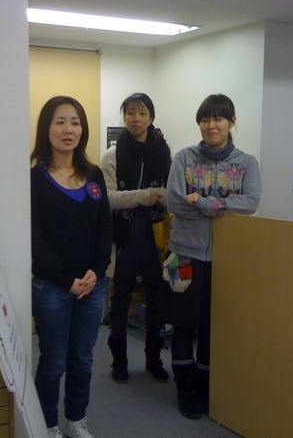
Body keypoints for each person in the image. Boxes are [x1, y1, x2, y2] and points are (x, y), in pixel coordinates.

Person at [165, 94, 261, 420]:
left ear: (232, 122)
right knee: (182, 323)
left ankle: (205, 385)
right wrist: (224, 206)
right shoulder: (184, 158)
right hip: (180, 255)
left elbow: (251, 202)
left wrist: (205, 203)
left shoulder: (246, 163)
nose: (211, 125)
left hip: (226, 258)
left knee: (212, 324)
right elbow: (174, 203)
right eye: (205, 119)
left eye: (219, 118)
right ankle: (184, 386)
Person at [30, 96, 112, 438]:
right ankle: (47, 425)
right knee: (52, 363)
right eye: (60, 121)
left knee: (83, 360)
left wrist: (98, 269)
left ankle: (76, 420)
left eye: (75, 122)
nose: (69, 130)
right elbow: (35, 241)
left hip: (93, 285)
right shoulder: (34, 179)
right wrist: (66, 280)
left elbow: (105, 228)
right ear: (46, 128)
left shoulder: (94, 175)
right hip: (52, 286)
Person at [100, 93, 172, 384]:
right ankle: (119, 361)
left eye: (142, 113)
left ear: (151, 118)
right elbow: (107, 197)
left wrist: (160, 196)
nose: (136, 119)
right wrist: (142, 196)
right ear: (124, 117)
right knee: (120, 303)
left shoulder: (163, 151)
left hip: (156, 238)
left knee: (156, 303)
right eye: (130, 113)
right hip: (126, 238)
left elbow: (172, 193)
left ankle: (154, 360)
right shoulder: (112, 154)